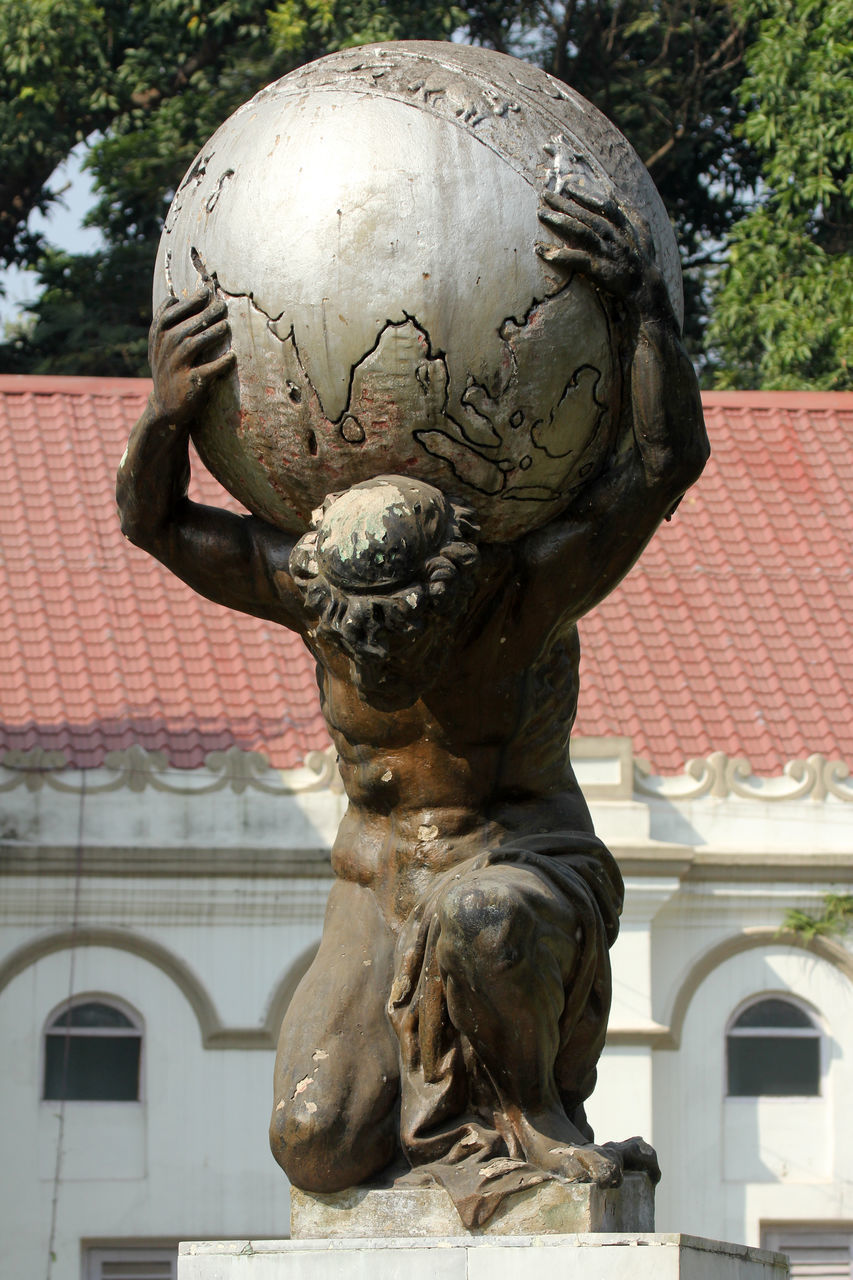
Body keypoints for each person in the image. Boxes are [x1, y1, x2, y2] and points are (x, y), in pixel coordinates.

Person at [117, 187, 708, 1226]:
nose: (376, 663)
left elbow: (665, 462)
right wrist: (167, 408)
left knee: (477, 912)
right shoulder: (314, 589)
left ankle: (536, 1119)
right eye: (357, 643)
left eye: (404, 641)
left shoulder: (526, 595)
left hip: (518, 876)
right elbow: (155, 522)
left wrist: (643, 309)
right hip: (375, 888)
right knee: (316, 1138)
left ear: (454, 592)